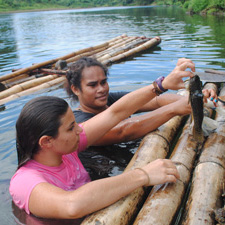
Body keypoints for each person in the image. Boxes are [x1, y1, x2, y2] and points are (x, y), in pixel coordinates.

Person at [9, 58, 215, 219]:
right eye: (72, 127)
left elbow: (115, 114)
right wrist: (143, 174)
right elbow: (71, 205)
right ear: (46, 142)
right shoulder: (25, 181)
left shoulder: (66, 150)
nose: (81, 131)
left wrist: (161, 85)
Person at [65, 57, 216, 146]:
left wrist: (193, 100)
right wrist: (174, 109)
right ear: (76, 89)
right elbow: (122, 131)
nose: (101, 89)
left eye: (103, 82)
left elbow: (157, 101)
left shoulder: (109, 99)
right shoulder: (78, 123)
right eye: (92, 85)